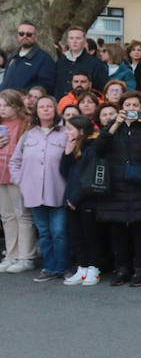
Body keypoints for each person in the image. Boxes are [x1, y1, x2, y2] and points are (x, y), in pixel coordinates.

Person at [95, 93, 141, 286]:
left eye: (135, 104)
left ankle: (140, 269)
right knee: (117, 229)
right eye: (127, 104)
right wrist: (115, 124)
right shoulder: (113, 126)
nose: (131, 107)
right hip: (116, 185)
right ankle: (122, 268)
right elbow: (99, 149)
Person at [9, 94, 67, 281]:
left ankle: (62, 266)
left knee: (58, 231)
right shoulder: (28, 135)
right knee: (43, 231)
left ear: (55, 109)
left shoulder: (65, 132)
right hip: (34, 193)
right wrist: (21, 181)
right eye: (41, 106)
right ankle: (49, 267)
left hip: (58, 191)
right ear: (36, 111)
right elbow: (15, 162)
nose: (45, 109)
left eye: (49, 106)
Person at [60, 115, 104, 285]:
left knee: (90, 235)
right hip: (71, 198)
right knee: (77, 235)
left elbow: (89, 176)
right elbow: (65, 172)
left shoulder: (92, 148)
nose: (67, 132)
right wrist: (67, 152)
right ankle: (82, 267)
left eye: (70, 128)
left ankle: (94, 268)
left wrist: (75, 198)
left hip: (87, 199)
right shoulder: (74, 147)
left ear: (81, 130)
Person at [0, 90, 38, 273]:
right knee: (7, 216)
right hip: (0, 173)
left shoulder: (26, 123)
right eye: (0, 105)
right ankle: (11, 254)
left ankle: (26, 256)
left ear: (16, 105)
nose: (2, 109)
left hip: (19, 174)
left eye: (6, 105)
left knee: (22, 215)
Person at [3, 21, 57, 94]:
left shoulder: (44, 59)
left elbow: (46, 87)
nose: (24, 36)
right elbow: (5, 82)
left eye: (29, 34)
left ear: (36, 37)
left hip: (25, 103)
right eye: (21, 34)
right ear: (17, 36)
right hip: (5, 101)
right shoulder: (12, 57)